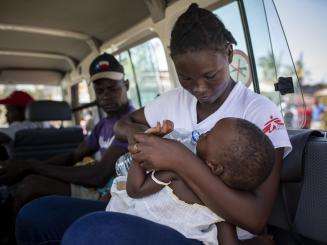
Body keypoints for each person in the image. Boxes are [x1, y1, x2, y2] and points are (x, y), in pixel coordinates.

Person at [16, 4, 291, 245]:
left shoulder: (257, 111)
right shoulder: (174, 100)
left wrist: (178, 157)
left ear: (229, 55)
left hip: (199, 231)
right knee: (35, 215)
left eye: (210, 75)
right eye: (185, 78)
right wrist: (148, 139)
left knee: (90, 234)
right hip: (141, 209)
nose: (199, 88)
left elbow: (255, 218)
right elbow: (124, 124)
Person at [0, 53, 133, 244]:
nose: (105, 96)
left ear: (126, 85)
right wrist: (26, 168)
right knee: (30, 181)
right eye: (99, 90)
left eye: (112, 89)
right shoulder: (103, 124)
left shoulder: (132, 121)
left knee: (32, 186)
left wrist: (31, 165)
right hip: (97, 187)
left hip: (110, 194)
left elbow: (99, 174)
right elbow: (73, 155)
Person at [107, 118, 275, 244]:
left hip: (126, 222)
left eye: (209, 135)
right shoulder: (223, 212)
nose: (205, 132)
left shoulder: (176, 174)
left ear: (214, 166)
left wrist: (140, 154)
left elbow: (135, 190)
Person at [0, 91, 39, 159]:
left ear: (23, 111)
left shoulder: (21, 128)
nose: (6, 115)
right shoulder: (49, 128)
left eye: (9, 110)